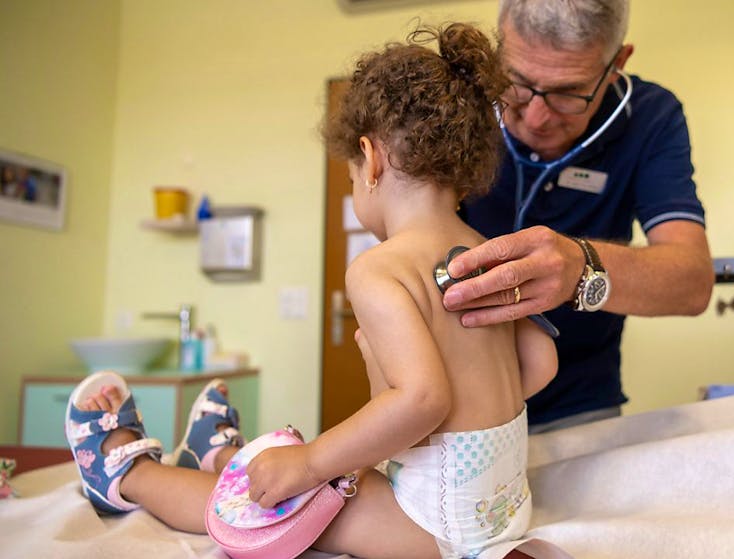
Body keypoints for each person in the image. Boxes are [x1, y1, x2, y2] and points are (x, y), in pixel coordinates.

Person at [64, 22, 557, 559]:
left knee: (260, 505)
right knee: (316, 469)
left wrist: (310, 462)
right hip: (505, 510)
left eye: (350, 177)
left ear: (370, 159)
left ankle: (128, 475)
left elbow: (422, 400)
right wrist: (471, 408)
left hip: (436, 523)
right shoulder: (489, 254)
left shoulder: (380, 269)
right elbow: (542, 362)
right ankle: (219, 452)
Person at [442, 0, 715, 433]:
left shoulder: (649, 117)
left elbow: (692, 282)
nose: (536, 118)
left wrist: (581, 267)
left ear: (617, 64)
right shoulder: (457, 100)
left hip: (579, 406)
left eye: (569, 93)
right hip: (457, 399)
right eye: (517, 83)